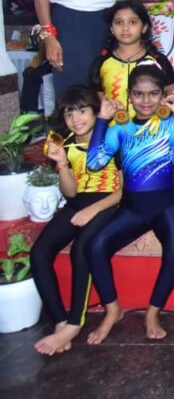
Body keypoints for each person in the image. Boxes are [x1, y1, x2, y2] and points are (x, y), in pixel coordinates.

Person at [85, 62, 174, 344]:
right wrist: (101, 120)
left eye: (153, 94)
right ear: (129, 95)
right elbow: (94, 162)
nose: (146, 101)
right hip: (133, 206)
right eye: (138, 94)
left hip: (167, 203)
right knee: (95, 246)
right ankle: (112, 310)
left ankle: (152, 312)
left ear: (163, 95)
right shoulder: (121, 127)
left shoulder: (171, 123)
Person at [31, 87, 121, 356]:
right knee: (39, 252)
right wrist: (61, 164)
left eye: (82, 111)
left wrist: (94, 210)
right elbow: (70, 193)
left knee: (82, 248)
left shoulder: (113, 139)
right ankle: (59, 320)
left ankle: (74, 323)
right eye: (69, 113)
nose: (76, 119)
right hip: (79, 201)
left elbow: (124, 191)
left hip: (109, 202)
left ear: (95, 111)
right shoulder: (66, 144)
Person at [89, 0, 174, 117]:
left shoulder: (159, 61)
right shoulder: (101, 63)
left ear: (144, 27)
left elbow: (171, 100)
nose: (125, 28)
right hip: (112, 128)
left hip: (154, 127)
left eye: (132, 22)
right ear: (111, 28)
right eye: (119, 22)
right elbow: (98, 106)